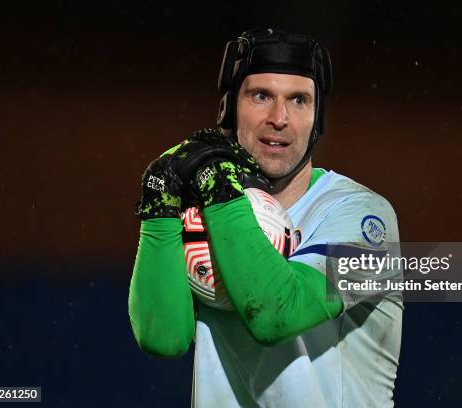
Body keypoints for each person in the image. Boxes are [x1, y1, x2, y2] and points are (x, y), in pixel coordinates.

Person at [128, 28, 403, 407]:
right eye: (261, 96)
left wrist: (221, 193)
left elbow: (276, 313)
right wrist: (158, 210)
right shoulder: (201, 207)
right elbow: (163, 338)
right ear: (229, 108)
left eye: (299, 100)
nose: (280, 118)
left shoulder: (365, 217)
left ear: (317, 116)